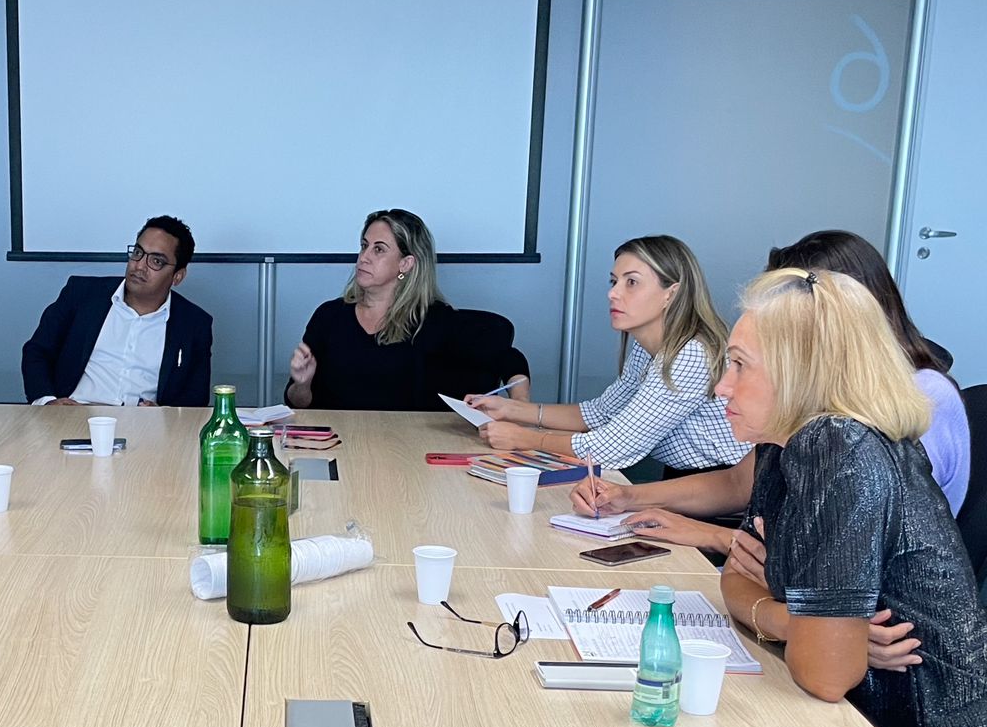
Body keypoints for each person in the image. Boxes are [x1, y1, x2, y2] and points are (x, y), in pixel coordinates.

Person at [571, 230, 970, 559]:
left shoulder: (913, 398)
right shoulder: (813, 395)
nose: (725, 387)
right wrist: (628, 497)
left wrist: (719, 540)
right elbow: (738, 483)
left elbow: (855, 556)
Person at [717, 267, 987, 727]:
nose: (722, 386)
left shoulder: (840, 448)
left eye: (740, 365)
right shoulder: (781, 443)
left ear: (799, 373)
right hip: (850, 714)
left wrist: (812, 629)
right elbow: (735, 577)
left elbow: (825, 675)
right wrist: (799, 622)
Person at [468, 235, 748, 471]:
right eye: (614, 282)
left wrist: (525, 439)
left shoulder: (690, 354)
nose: (613, 293)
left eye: (631, 282)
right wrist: (512, 410)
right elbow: (600, 414)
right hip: (687, 477)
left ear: (671, 294)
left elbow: (612, 447)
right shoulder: (646, 346)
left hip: (724, 486)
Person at [285, 208, 530, 411]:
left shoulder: (432, 319)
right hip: (337, 442)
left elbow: (508, 357)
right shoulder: (329, 316)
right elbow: (297, 403)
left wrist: (521, 406)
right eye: (364, 246)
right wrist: (302, 384)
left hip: (405, 445)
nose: (364, 257)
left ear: (406, 263)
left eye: (378, 249)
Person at [21, 215, 213, 407]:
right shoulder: (81, 294)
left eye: (156, 261)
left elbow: (195, 397)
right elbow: (37, 351)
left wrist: (164, 415)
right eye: (138, 252)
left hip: (143, 422)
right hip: (74, 412)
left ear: (177, 276)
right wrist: (48, 403)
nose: (139, 266)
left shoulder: (194, 324)